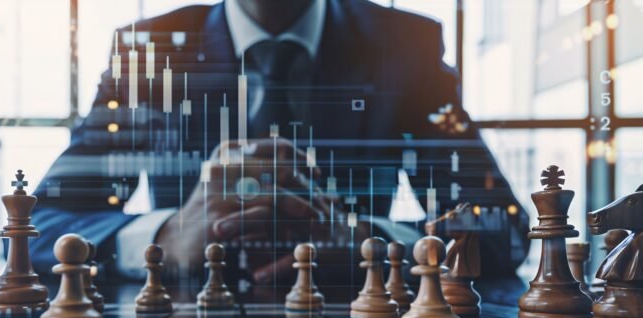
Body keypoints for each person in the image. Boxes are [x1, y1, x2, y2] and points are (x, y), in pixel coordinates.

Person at [31, 0, 530, 294]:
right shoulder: (147, 51)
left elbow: (497, 229)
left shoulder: (405, 48)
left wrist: (369, 245)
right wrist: (164, 239)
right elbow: (38, 228)